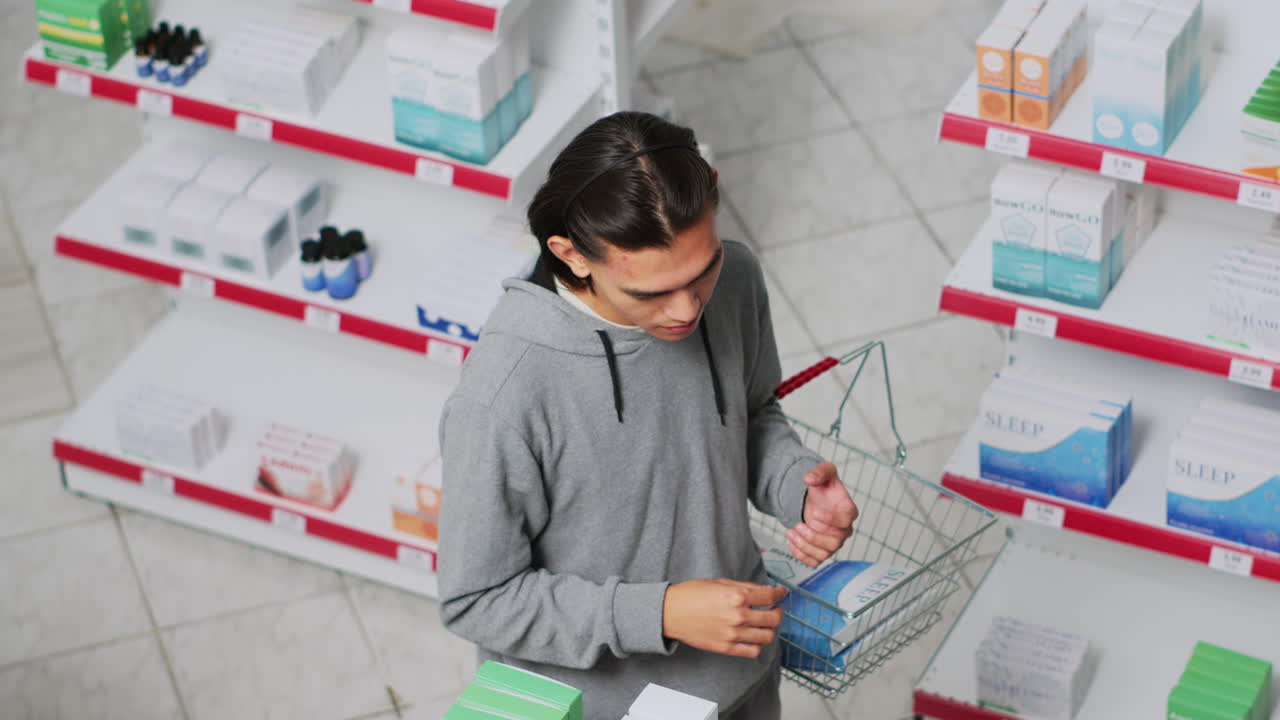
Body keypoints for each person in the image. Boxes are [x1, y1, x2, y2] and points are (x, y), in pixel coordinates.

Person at [437, 111, 859, 720]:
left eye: (701, 270)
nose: (687, 310)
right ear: (571, 255)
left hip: (743, 671)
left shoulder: (735, 277)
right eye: (651, 293)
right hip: (596, 705)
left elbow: (750, 414)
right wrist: (660, 613)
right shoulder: (504, 395)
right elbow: (477, 599)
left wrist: (797, 484)